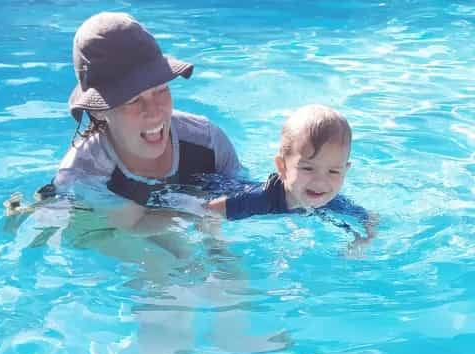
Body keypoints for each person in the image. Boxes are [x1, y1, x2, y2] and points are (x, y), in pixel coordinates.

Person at [49, 11, 240, 211]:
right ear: (98, 111)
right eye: (133, 100)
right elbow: (113, 234)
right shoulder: (83, 176)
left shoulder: (207, 142)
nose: (154, 111)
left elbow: (243, 196)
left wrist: (272, 194)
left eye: (160, 90)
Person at [206, 104, 377, 244]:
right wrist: (216, 245)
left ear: (345, 171)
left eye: (333, 171)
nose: (321, 181)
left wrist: (362, 240)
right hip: (211, 185)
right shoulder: (260, 199)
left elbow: (370, 219)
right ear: (282, 167)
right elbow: (210, 210)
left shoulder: (330, 200)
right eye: (308, 168)